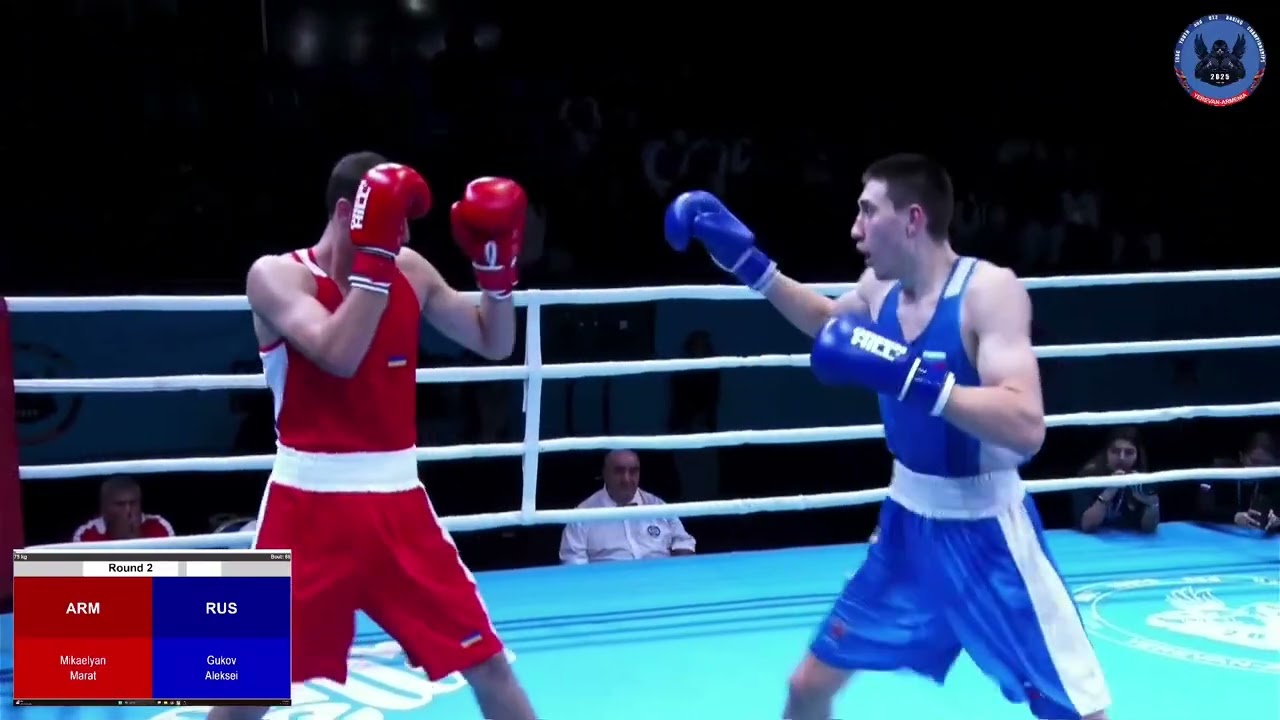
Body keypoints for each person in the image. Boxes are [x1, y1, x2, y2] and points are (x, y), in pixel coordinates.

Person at [664, 153, 1111, 720]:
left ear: (912, 219)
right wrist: (754, 267)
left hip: (988, 530)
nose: (854, 228)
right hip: (906, 525)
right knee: (807, 688)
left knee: (1075, 710)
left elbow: (1026, 426)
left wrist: (917, 380)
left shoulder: (988, 292)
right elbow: (833, 325)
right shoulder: (880, 287)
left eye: (867, 211)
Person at [215, 152, 538, 720]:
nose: (405, 235)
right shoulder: (276, 276)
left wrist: (497, 278)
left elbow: (494, 341)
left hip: (399, 506)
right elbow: (339, 355)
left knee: (487, 663)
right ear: (349, 213)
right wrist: (375, 263)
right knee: (250, 687)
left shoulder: (409, 268)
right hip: (305, 508)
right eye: (395, 220)